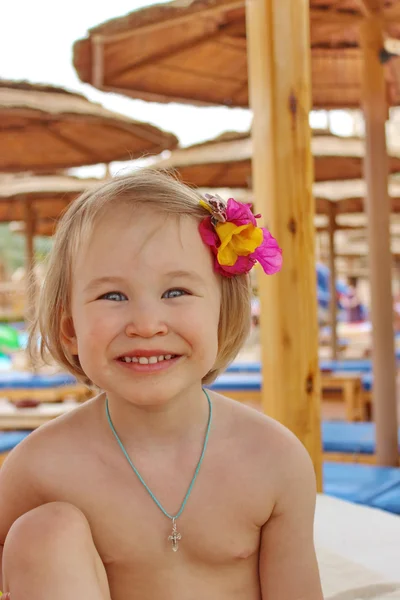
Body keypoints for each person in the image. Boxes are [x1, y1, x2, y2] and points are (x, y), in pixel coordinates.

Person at [0, 171, 323, 600]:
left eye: (176, 291)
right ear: (70, 329)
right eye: (113, 296)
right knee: (44, 532)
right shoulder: (38, 469)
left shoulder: (274, 460)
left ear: (223, 315)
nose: (147, 325)